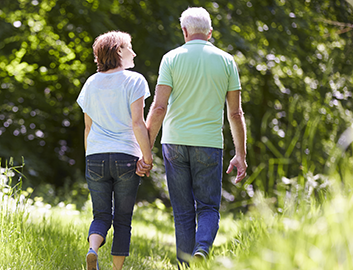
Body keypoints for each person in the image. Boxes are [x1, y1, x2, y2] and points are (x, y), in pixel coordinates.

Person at [137, 7, 248, 267]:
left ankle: (185, 264)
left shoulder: (171, 58)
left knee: (183, 212)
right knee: (208, 208)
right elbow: (235, 113)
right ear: (209, 32)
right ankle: (201, 249)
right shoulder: (226, 60)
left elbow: (159, 107)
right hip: (209, 144)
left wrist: (146, 148)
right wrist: (240, 154)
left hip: (174, 143)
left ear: (184, 31)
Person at [77, 31, 153, 270]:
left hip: (96, 156)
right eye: (130, 47)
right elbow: (137, 123)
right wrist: (147, 157)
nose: (134, 52)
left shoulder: (90, 83)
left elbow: (88, 127)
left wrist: (89, 159)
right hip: (125, 157)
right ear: (119, 51)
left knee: (100, 215)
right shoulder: (135, 80)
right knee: (122, 220)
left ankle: (92, 249)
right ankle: (116, 269)